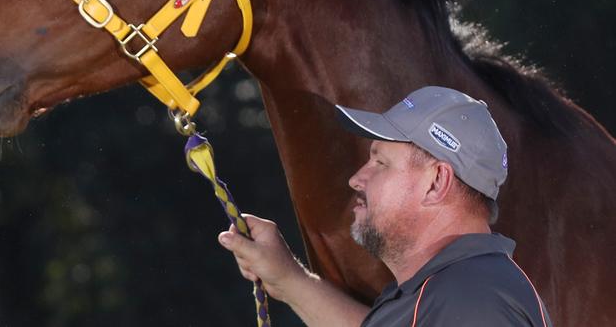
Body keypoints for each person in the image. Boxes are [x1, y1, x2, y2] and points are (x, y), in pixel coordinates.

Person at [218, 86, 553, 326]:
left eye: (380, 163)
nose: (356, 179)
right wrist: (288, 279)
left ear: (436, 182)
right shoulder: (447, 292)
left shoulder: (473, 302)